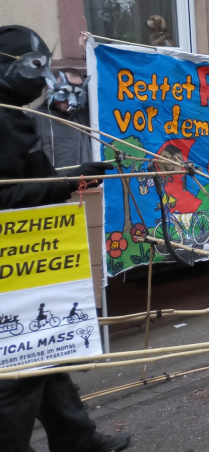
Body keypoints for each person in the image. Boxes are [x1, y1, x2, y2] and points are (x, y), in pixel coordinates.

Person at [0, 25, 128, 452]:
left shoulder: (12, 115)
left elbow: (30, 179)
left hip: (30, 258)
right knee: (19, 378)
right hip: (8, 267)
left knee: (45, 356)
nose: (42, 77)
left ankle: (77, 440)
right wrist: (70, 183)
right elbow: (6, 195)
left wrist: (74, 175)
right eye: (33, 66)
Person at [35, 68, 93, 169]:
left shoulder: (82, 117)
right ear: (50, 86)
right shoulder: (34, 117)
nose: (71, 100)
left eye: (77, 93)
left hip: (82, 182)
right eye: (65, 91)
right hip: (52, 183)